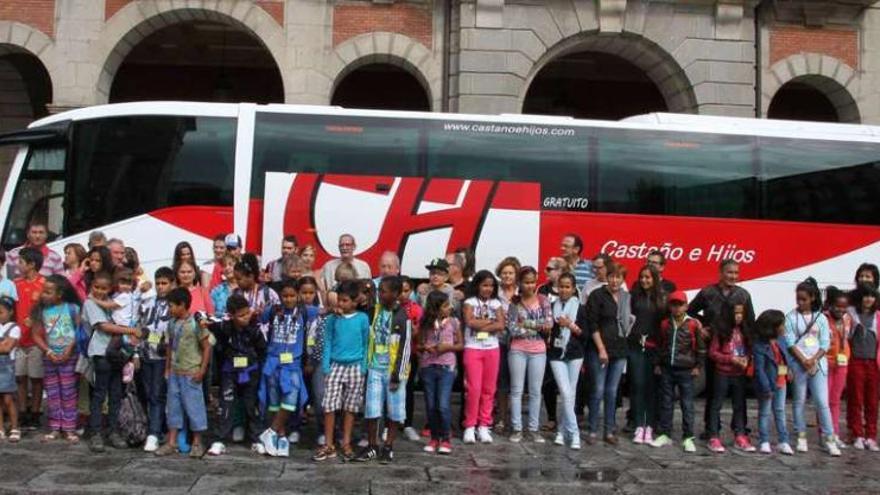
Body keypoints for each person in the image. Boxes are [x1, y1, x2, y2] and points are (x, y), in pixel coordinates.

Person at [688, 259, 755, 438]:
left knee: (739, 394)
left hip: (736, 348)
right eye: (729, 272)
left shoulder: (743, 295)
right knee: (713, 390)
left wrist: (748, 349)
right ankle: (712, 428)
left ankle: (740, 428)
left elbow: (750, 322)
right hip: (714, 347)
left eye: (735, 273)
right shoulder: (708, 292)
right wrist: (702, 326)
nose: (732, 276)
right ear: (721, 272)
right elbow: (691, 310)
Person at [355, 276, 412, 464]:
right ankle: (372, 445)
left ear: (395, 294)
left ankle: (388, 445)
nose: (380, 294)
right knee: (372, 408)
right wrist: (369, 288)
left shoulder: (403, 316)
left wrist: (397, 374)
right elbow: (366, 298)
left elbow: (405, 347)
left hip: (393, 371)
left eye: (384, 291)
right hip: (375, 367)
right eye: (379, 291)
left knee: (394, 410)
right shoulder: (375, 310)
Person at [83, 271, 141, 453]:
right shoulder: (90, 303)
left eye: (104, 288)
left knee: (116, 393)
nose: (100, 291)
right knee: (100, 394)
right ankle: (96, 433)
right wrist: (131, 331)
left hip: (118, 354)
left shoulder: (115, 301)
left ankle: (114, 431)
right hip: (101, 352)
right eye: (96, 287)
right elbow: (103, 326)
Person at [313, 280, 370, 462]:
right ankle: (329, 444)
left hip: (355, 366)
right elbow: (328, 341)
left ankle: (346, 442)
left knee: (350, 406)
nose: (340, 304)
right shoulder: (332, 319)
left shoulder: (362, 318)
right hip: (335, 365)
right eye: (339, 300)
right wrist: (326, 364)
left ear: (354, 301)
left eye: (345, 301)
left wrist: (363, 365)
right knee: (329, 405)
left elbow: (366, 342)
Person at [154, 288, 214, 458]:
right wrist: (167, 368)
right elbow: (169, 346)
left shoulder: (196, 323)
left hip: (191, 372)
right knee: (173, 407)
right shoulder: (172, 323)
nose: (170, 309)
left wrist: (202, 370)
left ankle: (197, 442)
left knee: (194, 407)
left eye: (172, 306)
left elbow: (207, 346)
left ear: (182, 305)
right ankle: (171, 442)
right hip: (175, 372)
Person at [782, 278, 840, 456]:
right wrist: (803, 360)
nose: (800, 302)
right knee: (799, 401)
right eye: (798, 299)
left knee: (822, 403)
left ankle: (829, 438)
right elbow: (790, 342)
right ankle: (801, 435)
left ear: (813, 298)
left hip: (817, 365)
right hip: (799, 364)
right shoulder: (791, 317)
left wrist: (814, 359)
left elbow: (825, 343)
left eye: (804, 299)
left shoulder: (821, 318)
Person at [257, 279, 314, 457]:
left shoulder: (305, 311)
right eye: (285, 296)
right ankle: (280, 436)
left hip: (293, 365)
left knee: (291, 398)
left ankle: (271, 431)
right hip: (273, 363)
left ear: (298, 295)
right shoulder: (272, 311)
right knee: (274, 401)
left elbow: (324, 311)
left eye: (292, 296)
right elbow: (258, 317)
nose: (288, 299)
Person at [205, 294, 267, 456]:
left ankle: (256, 438)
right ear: (231, 315)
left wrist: (259, 369)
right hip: (229, 372)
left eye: (247, 313)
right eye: (240, 315)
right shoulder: (223, 328)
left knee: (252, 406)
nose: (246, 317)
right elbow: (203, 318)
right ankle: (219, 439)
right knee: (226, 405)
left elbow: (262, 351)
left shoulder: (255, 329)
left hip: (251, 371)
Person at [650, 290, 704, 453]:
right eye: (674, 305)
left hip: (686, 370)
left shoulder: (693, 325)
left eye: (680, 305)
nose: (677, 308)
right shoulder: (665, 324)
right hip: (667, 368)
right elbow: (660, 345)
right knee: (666, 403)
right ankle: (665, 433)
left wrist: (698, 366)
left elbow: (701, 349)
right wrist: (657, 364)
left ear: (686, 306)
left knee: (687, 404)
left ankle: (688, 437)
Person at [30, 275, 81, 443]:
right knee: (52, 393)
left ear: (60, 294)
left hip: (69, 356)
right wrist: (47, 351)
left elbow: (79, 331)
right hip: (50, 357)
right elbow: (36, 335)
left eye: (48, 292)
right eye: (44, 291)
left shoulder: (72, 308)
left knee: (68, 392)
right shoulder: (41, 311)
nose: (43, 294)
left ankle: (69, 428)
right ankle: (54, 427)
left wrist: (69, 349)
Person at [585, 262, 630, 445]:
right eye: (611, 276)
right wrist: (601, 348)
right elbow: (592, 324)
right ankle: (593, 429)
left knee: (612, 391)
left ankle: (609, 430)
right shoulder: (597, 295)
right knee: (598, 390)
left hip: (620, 349)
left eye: (618, 277)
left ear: (623, 279)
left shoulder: (626, 297)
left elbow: (628, 322)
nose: (614, 280)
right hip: (599, 349)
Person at [506, 266, 552, 443]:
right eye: (526, 282)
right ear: (519, 283)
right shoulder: (514, 303)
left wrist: (525, 323)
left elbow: (549, 323)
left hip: (538, 350)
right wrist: (535, 326)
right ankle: (517, 428)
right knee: (516, 390)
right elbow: (512, 328)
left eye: (533, 281)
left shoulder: (543, 300)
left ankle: (534, 428)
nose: (530, 285)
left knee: (535, 391)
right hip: (518, 349)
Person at [461, 270, 505, 444]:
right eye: (484, 285)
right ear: (477, 285)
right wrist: (491, 323)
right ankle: (470, 425)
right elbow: (470, 321)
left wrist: (484, 325)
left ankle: (484, 425)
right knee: (474, 389)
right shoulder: (469, 302)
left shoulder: (496, 303)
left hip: (492, 348)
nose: (488, 289)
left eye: (491, 285)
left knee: (489, 389)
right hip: (473, 347)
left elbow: (501, 324)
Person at [419, 290, 463, 455]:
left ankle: (445, 438)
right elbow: (420, 344)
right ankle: (434, 437)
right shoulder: (425, 323)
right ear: (435, 308)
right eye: (445, 305)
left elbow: (460, 344)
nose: (449, 307)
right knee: (431, 405)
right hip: (428, 366)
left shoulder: (453, 322)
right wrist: (426, 347)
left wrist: (448, 347)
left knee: (443, 404)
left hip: (446, 367)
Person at [707, 303, 755, 453]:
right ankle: (714, 436)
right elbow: (713, 353)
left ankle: (740, 434)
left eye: (741, 313)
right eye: (736, 313)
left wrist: (746, 360)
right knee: (717, 404)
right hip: (722, 372)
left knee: (739, 405)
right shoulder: (721, 332)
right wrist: (730, 359)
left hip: (739, 373)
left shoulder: (745, 331)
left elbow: (748, 350)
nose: (739, 316)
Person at [138, 266, 174, 453]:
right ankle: (157, 428)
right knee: (147, 392)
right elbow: (139, 325)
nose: (161, 287)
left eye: (164, 283)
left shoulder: (174, 305)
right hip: (145, 353)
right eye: (158, 283)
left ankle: (154, 432)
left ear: (172, 284)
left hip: (163, 356)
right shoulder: (148, 301)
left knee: (157, 394)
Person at [548, 272, 584, 450]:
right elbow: (548, 328)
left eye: (567, 286)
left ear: (573, 288)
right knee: (564, 391)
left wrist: (569, 324)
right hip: (556, 354)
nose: (563, 290)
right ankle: (575, 432)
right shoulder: (552, 306)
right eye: (561, 286)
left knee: (571, 394)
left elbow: (584, 333)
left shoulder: (580, 307)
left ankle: (562, 431)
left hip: (575, 354)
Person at [629, 265, 664, 445]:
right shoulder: (634, 296)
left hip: (654, 348)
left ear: (655, 279)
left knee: (651, 388)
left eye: (648, 277)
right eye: (642, 277)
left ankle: (649, 425)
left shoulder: (661, 299)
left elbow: (664, 327)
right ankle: (638, 425)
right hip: (636, 346)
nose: (644, 280)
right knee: (637, 385)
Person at [752, 309, 794, 455]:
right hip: (768, 384)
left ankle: (783, 440)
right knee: (764, 412)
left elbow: (782, 359)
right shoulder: (759, 345)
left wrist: (787, 371)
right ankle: (764, 440)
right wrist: (766, 388)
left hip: (781, 382)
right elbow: (759, 369)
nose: (784, 327)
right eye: (782, 324)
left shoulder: (781, 340)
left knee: (780, 411)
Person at [13, 247, 46, 431]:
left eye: (21, 262)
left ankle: (35, 412)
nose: (18, 265)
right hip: (19, 340)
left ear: (32, 264)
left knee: (36, 378)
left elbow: (49, 307)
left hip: (36, 340)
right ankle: (23, 411)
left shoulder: (44, 284)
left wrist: (35, 319)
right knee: (20, 377)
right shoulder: (16, 284)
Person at [846, 283, 880, 451]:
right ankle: (857, 434)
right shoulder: (851, 315)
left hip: (874, 363)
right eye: (865, 296)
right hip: (856, 361)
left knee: (872, 401)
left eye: (872, 296)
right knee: (856, 399)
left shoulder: (878, 316)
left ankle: (871, 436)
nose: (868, 299)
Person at [824, 286, 851, 450]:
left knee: (835, 400)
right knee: (824, 401)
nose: (841, 310)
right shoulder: (823, 319)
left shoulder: (847, 319)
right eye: (837, 306)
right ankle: (825, 433)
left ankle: (834, 433)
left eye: (844, 307)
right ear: (830, 305)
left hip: (842, 363)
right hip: (826, 364)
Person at [494, 256, 520, 432]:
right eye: (504, 273)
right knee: (502, 381)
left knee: (516, 382)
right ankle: (501, 418)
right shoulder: (495, 293)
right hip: (499, 341)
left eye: (510, 273)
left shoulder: (522, 291)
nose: (507, 276)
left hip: (519, 342)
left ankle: (515, 418)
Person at [0, 296, 20, 443]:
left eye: (1, 312)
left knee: (8, 399)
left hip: (6, 368)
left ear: (10, 312)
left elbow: (7, 348)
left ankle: (14, 427)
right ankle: (0, 428)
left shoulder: (14, 328)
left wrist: (4, 345)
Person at [209, 254, 238, 318]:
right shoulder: (216, 291)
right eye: (224, 266)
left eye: (230, 264)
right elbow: (211, 313)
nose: (227, 268)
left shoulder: (245, 288)